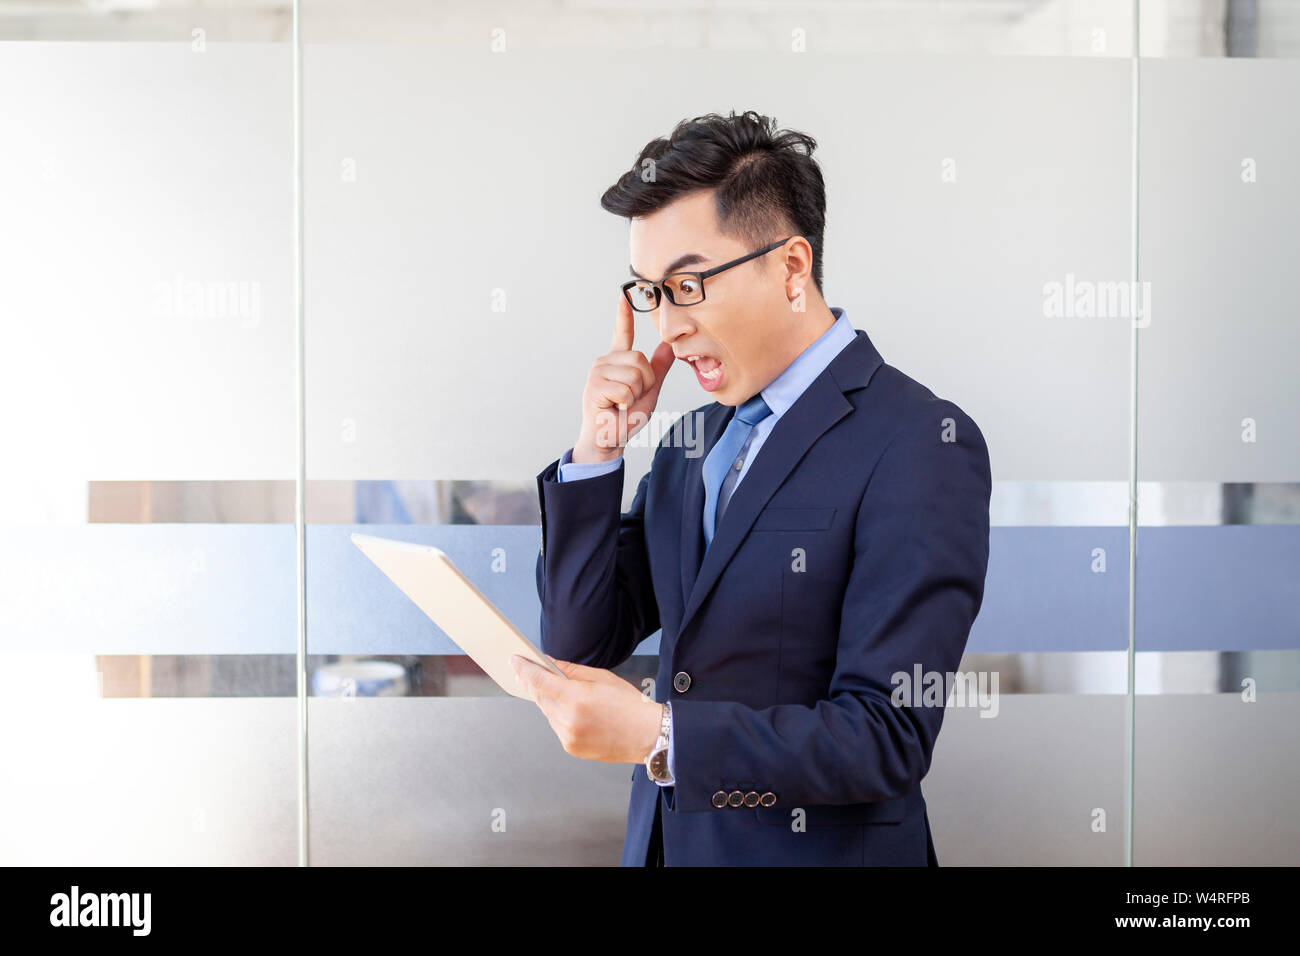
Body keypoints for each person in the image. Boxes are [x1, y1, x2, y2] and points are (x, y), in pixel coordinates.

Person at [511, 110, 991, 866]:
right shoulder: (691, 440)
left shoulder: (919, 443)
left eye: (689, 284)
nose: (666, 328)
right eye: (649, 293)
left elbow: (887, 737)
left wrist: (657, 735)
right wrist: (598, 448)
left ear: (792, 268)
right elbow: (581, 639)